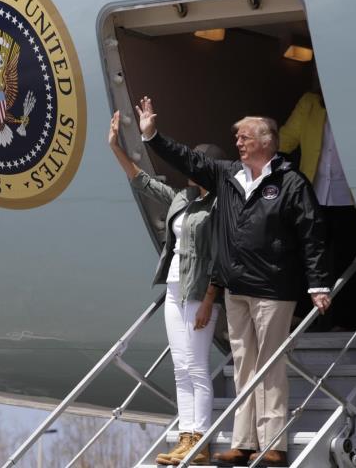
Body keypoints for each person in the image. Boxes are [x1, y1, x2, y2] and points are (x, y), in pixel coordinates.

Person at [135, 97, 331, 467]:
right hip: (238, 288)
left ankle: (272, 441)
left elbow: (311, 234)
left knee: (270, 364)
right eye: (236, 138)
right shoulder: (228, 176)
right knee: (244, 364)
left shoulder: (289, 183)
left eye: (243, 137)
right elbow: (189, 160)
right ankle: (244, 441)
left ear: (266, 141)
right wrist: (153, 136)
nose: (237, 142)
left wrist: (318, 284)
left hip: (274, 288)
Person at [108, 111, 222, 466]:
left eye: (197, 162)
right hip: (174, 288)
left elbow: (219, 257)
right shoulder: (182, 198)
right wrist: (116, 147)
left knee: (197, 365)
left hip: (200, 292)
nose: (189, 168)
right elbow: (142, 181)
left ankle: (199, 439)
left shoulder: (220, 206)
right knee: (180, 365)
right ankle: (185, 435)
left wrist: (209, 301)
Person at [279, 83, 356, 330]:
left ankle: (345, 322)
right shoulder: (310, 103)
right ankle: (301, 316)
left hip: (351, 200)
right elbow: (286, 139)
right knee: (306, 256)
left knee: (349, 262)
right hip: (315, 196)